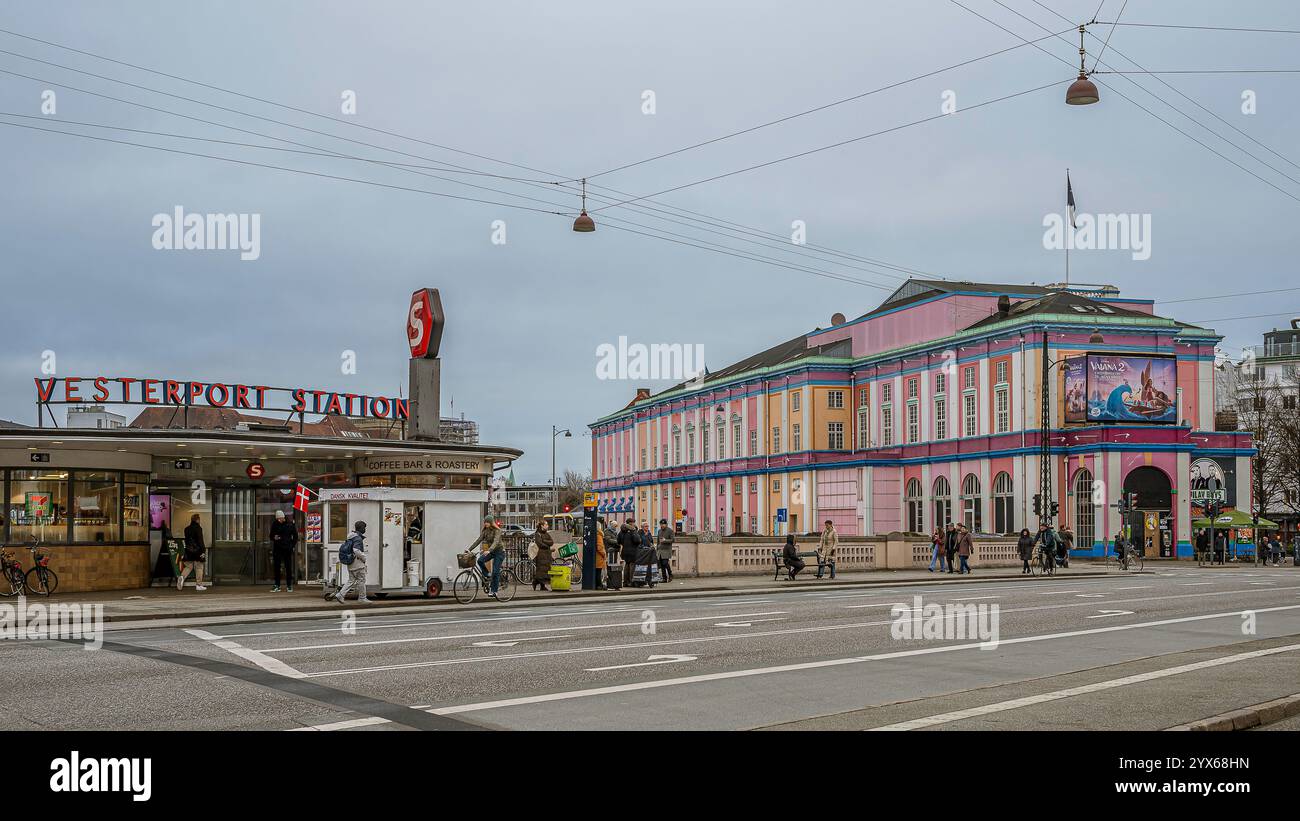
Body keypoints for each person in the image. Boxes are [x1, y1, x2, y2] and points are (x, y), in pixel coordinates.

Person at [333, 521, 370, 603]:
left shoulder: (351, 537)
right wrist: (364, 557)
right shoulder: (358, 538)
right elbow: (356, 550)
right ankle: (362, 598)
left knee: (351, 580)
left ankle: (340, 595)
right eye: (364, 527)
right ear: (360, 528)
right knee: (361, 580)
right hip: (358, 563)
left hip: (350, 562)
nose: (365, 529)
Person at [469, 516, 505, 596]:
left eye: (487, 522)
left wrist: (489, 550)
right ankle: (487, 574)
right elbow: (478, 540)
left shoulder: (497, 530)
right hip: (491, 552)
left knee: (495, 571)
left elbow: (495, 542)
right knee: (480, 560)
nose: (485, 523)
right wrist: (469, 549)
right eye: (485, 522)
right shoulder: (485, 531)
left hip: (499, 552)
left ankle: (494, 591)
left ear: (491, 522)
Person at [269, 510, 298, 592]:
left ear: (283, 517)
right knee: (276, 567)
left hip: (287, 549)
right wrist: (274, 537)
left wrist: (291, 545)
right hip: (277, 548)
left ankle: (289, 585)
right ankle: (277, 585)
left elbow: (295, 536)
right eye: (278, 519)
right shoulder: (275, 524)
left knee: (288, 567)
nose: (279, 520)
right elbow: (271, 535)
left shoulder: (289, 524)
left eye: (280, 518)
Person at [177, 513, 208, 591]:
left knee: (189, 566)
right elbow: (200, 540)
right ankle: (199, 585)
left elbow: (188, 540)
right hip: (198, 551)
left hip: (189, 550)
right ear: (197, 520)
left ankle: (182, 577)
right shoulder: (198, 528)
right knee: (199, 567)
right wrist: (203, 550)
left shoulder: (186, 529)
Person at [531, 519, 554, 591]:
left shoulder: (546, 534)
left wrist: (544, 541)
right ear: (542, 526)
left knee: (546, 570)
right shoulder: (537, 534)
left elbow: (551, 542)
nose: (547, 526)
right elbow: (539, 544)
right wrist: (547, 545)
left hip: (547, 554)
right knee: (541, 570)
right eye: (546, 524)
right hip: (541, 554)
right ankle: (536, 582)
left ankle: (541, 585)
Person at [655, 519, 675, 583]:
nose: (662, 525)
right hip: (660, 550)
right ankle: (664, 578)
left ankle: (670, 574)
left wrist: (665, 540)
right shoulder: (659, 531)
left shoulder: (670, 531)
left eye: (663, 524)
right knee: (661, 565)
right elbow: (658, 541)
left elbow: (673, 540)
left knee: (665, 563)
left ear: (666, 524)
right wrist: (657, 548)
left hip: (666, 550)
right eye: (661, 524)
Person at [594, 520, 607, 590]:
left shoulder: (594, 534)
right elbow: (599, 547)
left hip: (595, 556)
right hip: (599, 556)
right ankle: (599, 585)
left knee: (597, 571)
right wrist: (604, 553)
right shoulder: (599, 535)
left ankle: (597, 584)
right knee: (598, 572)